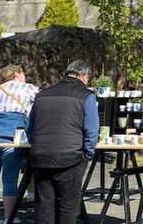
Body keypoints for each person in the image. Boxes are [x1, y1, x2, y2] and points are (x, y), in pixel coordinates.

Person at [28, 60, 99, 224]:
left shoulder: (42, 94)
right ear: (84, 75)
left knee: (44, 208)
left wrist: (37, 147)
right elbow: (91, 130)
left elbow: (30, 127)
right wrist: (87, 154)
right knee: (67, 208)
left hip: (41, 157)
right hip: (70, 157)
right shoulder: (86, 95)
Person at [0, 65, 39, 222]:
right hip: (13, 138)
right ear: (18, 74)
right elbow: (42, 104)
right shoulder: (28, 88)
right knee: (10, 180)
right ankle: (9, 218)